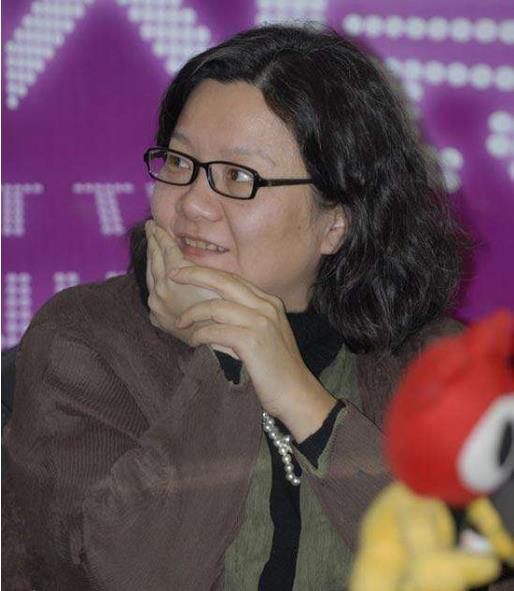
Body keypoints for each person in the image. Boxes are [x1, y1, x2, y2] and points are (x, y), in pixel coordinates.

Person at [3, 24, 467, 591]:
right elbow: (126, 576)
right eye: (179, 162)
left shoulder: (435, 364)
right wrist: (226, 355)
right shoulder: (85, 342)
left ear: (336, 221)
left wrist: (300, 396)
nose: (193, 203)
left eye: (238, 177)